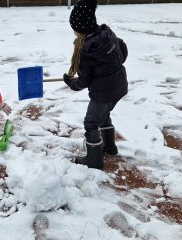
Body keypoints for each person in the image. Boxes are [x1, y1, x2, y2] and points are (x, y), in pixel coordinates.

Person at [63, 0, 128, 169]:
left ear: (80, 28)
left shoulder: (86, 50)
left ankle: (94, 160)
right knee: (104, 115)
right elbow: (123, 49)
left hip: (103, 93)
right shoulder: (107, 33)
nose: (73, 31)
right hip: (119, 86)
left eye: (74, 27)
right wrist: (112, 66)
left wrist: (71, 83)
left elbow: (84, 81)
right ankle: (110, 147)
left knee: (91, 123)